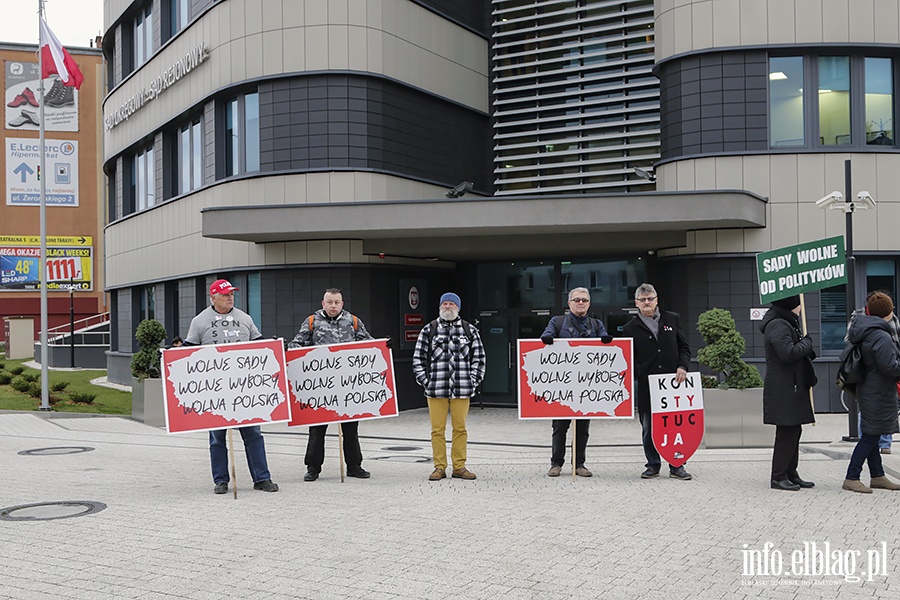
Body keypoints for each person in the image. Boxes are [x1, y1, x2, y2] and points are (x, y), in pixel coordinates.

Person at [184, 279, 279, 494]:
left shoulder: (244, 318)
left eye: (231, 293)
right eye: (225, 294)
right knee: (217, 437)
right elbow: (188, 352)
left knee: (253, 433)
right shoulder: (200, 321)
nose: (230, 297)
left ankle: (262, 478)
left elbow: (259, 344)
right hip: (215, 391)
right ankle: (221, 480)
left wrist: (273, 347)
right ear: (213, 297)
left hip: (244, 389)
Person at [288, 288, 374, 482]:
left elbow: (368, 344)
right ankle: (313, 467)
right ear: (323, 303)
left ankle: (354, 465)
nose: (333, 305)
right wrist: (289, 347)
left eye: (337, 302)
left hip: (347, 386)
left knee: (350, 428)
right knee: (317, 430)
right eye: (330, 302)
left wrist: (384, 345)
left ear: (342, 304)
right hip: (321, 388)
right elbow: (298, 343)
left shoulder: (353, 321)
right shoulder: (312, 322)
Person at [622, 283, 693, 481]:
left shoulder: (673, 318)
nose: (647, 302)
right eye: (643, 300)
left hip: (673, 386)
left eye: (650, 298)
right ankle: (652, 464)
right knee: (649, 429)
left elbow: (684, 348)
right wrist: (641, 372)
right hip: (647, 387)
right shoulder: (629, 328)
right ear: (636, 303)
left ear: (657, 300)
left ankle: (677, 465)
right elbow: (627, 359)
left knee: (675, 427)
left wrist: (683, 366)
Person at [412, 292, 485, 481]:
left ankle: (459, 467)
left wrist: (473, 381)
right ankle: (439, 467)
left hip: (462, 389)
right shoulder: (429, 330)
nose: (447, 306)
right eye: (444, 303)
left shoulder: (470, 330)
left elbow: (479, 358)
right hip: (436, 389)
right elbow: (418, 358)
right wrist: (425, 381)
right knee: (437, 430)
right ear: (439, 307)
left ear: (458, 308)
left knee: (460, 429)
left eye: (451, 304)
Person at [540, 287, 611, 478]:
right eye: (577, 300)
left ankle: (579, 464)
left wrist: (607, 343)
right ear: (569, 303)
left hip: (586, 388)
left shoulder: (596, 325)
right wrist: (547, 338)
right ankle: (556, 464)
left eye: (584, 300)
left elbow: (607, 347)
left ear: (589, 304)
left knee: (582, 429)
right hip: (562, 387)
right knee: (559, 427)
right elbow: (547, 334)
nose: (581, 303)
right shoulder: (557, 322)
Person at [842, 292, 900, 493]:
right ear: (887, 312)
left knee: (872, 433)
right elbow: (890, 367)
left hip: (870, 389)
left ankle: (877, 476)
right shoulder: (881, 336)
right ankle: (852, 477)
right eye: (891, 309)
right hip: (879, 392)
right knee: (870, 436)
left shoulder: (867, 331)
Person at [759, 295, 816, 491]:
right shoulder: (778, 325)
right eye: (799, 304)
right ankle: (779, 476)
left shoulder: (787, 322)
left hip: (791, 385)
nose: (801, 308)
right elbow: (787, 353)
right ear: (792, 306)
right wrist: (806, 343)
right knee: (786, 432)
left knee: (794, 430)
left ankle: (791, 473)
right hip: (784, 387)